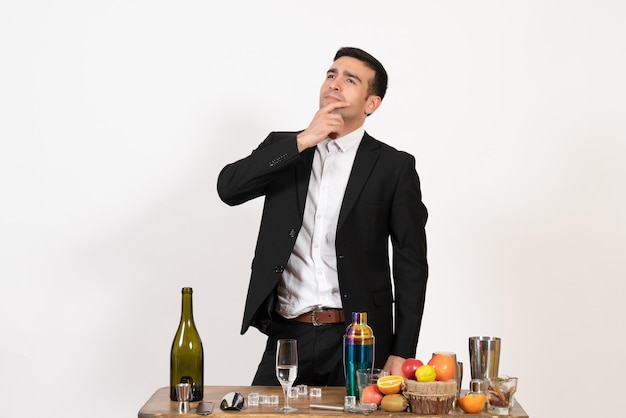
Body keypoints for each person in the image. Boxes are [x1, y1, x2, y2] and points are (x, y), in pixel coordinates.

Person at [217, 47, 428, 386]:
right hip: (288, 336)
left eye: (350, 79)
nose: (335, 83)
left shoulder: (393, 167)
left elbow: (411, 264)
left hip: (359, 340)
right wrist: (302, 141)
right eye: (331, 75)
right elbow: (229, 189)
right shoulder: (285, 147)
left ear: (371, 104)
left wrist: (402, 350)